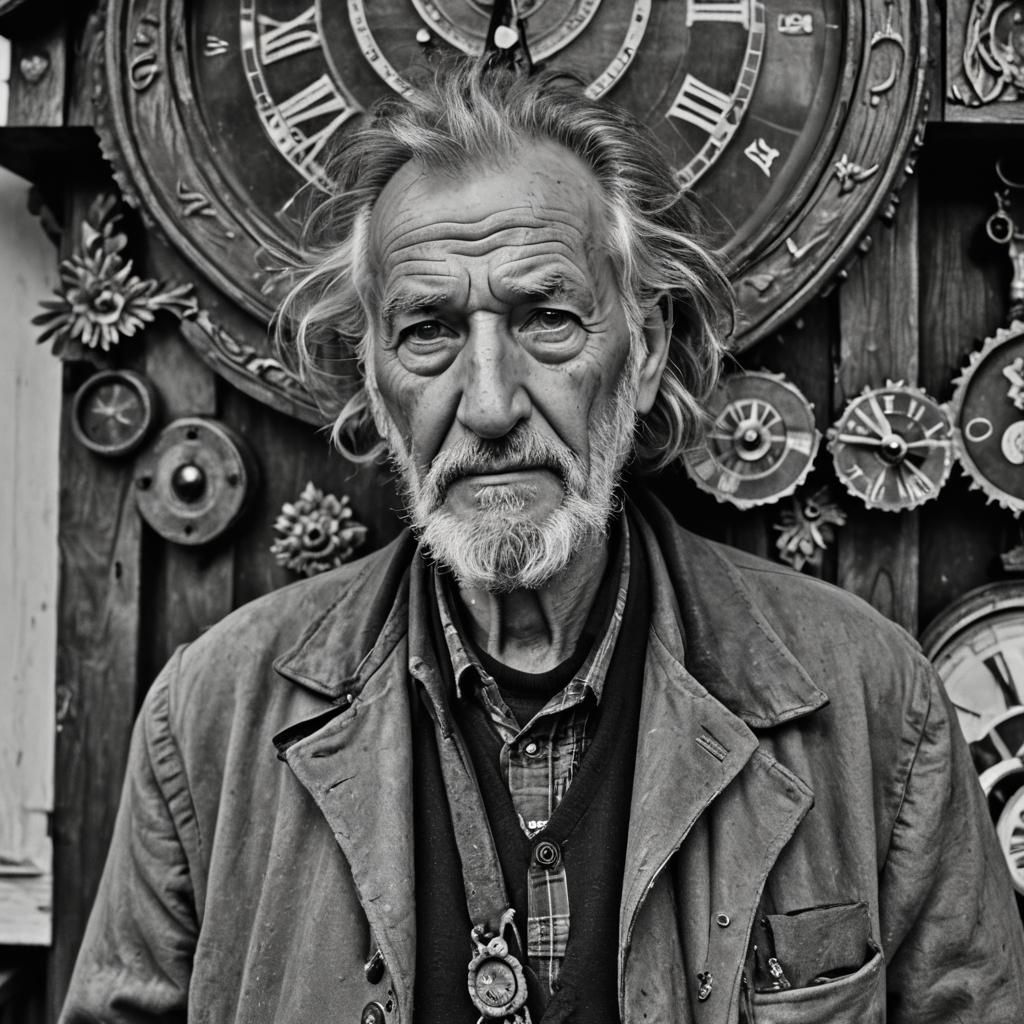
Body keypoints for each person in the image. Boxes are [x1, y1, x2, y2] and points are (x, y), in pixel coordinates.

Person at [62, 57, 1024, 1024]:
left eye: (548, 319)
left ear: (642, 351)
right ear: (375, 373)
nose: (487, 404)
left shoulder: (872, 708)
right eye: (429, 331)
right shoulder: (207, 721)